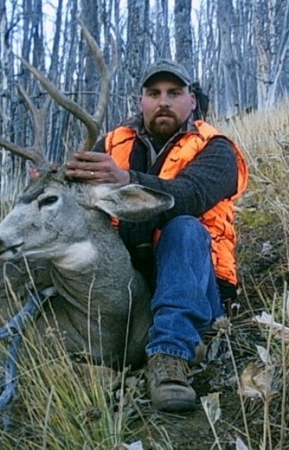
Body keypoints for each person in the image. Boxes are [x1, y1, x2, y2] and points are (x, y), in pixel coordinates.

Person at [64, 59, 248, 412]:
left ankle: (169, 359)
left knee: (184, 226)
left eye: (174, 93)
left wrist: (127, 181)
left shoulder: (216, 147)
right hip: (132, 287)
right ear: (141, 101)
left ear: (191, 100)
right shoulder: (113, 144)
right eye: (154, 93)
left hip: (196, 285)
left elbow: (190, 196)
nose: (163, 101)